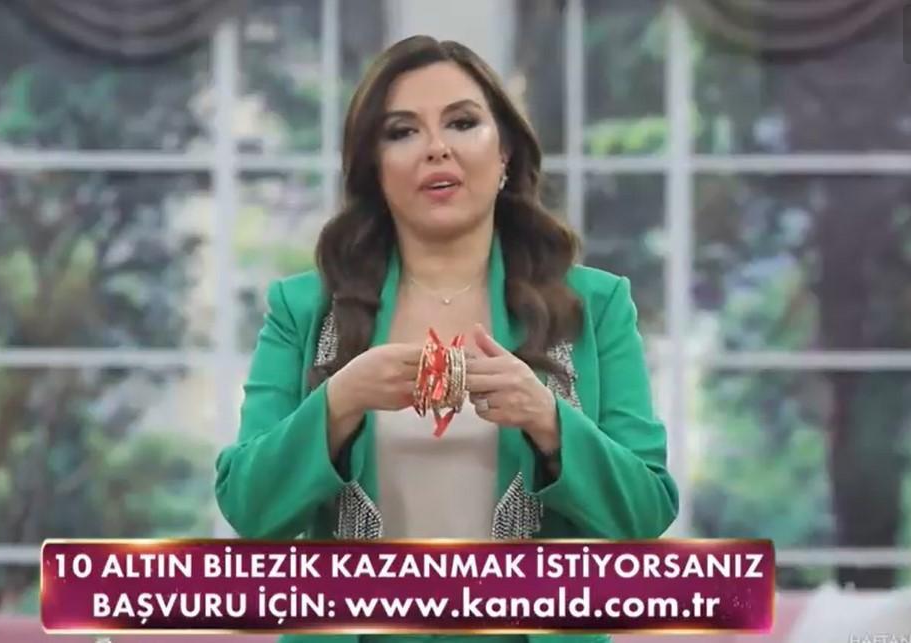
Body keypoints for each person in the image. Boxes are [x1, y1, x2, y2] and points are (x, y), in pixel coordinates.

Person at [215, 35, 679, 643]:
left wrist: (548, 420)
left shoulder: (595, 306)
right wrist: (339, 401)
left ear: (505, 150)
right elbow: (250, 511)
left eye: (462, 123)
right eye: (403, 131)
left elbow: (645, 514)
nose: (437, 148)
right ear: (374, 166)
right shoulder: (303, 311)